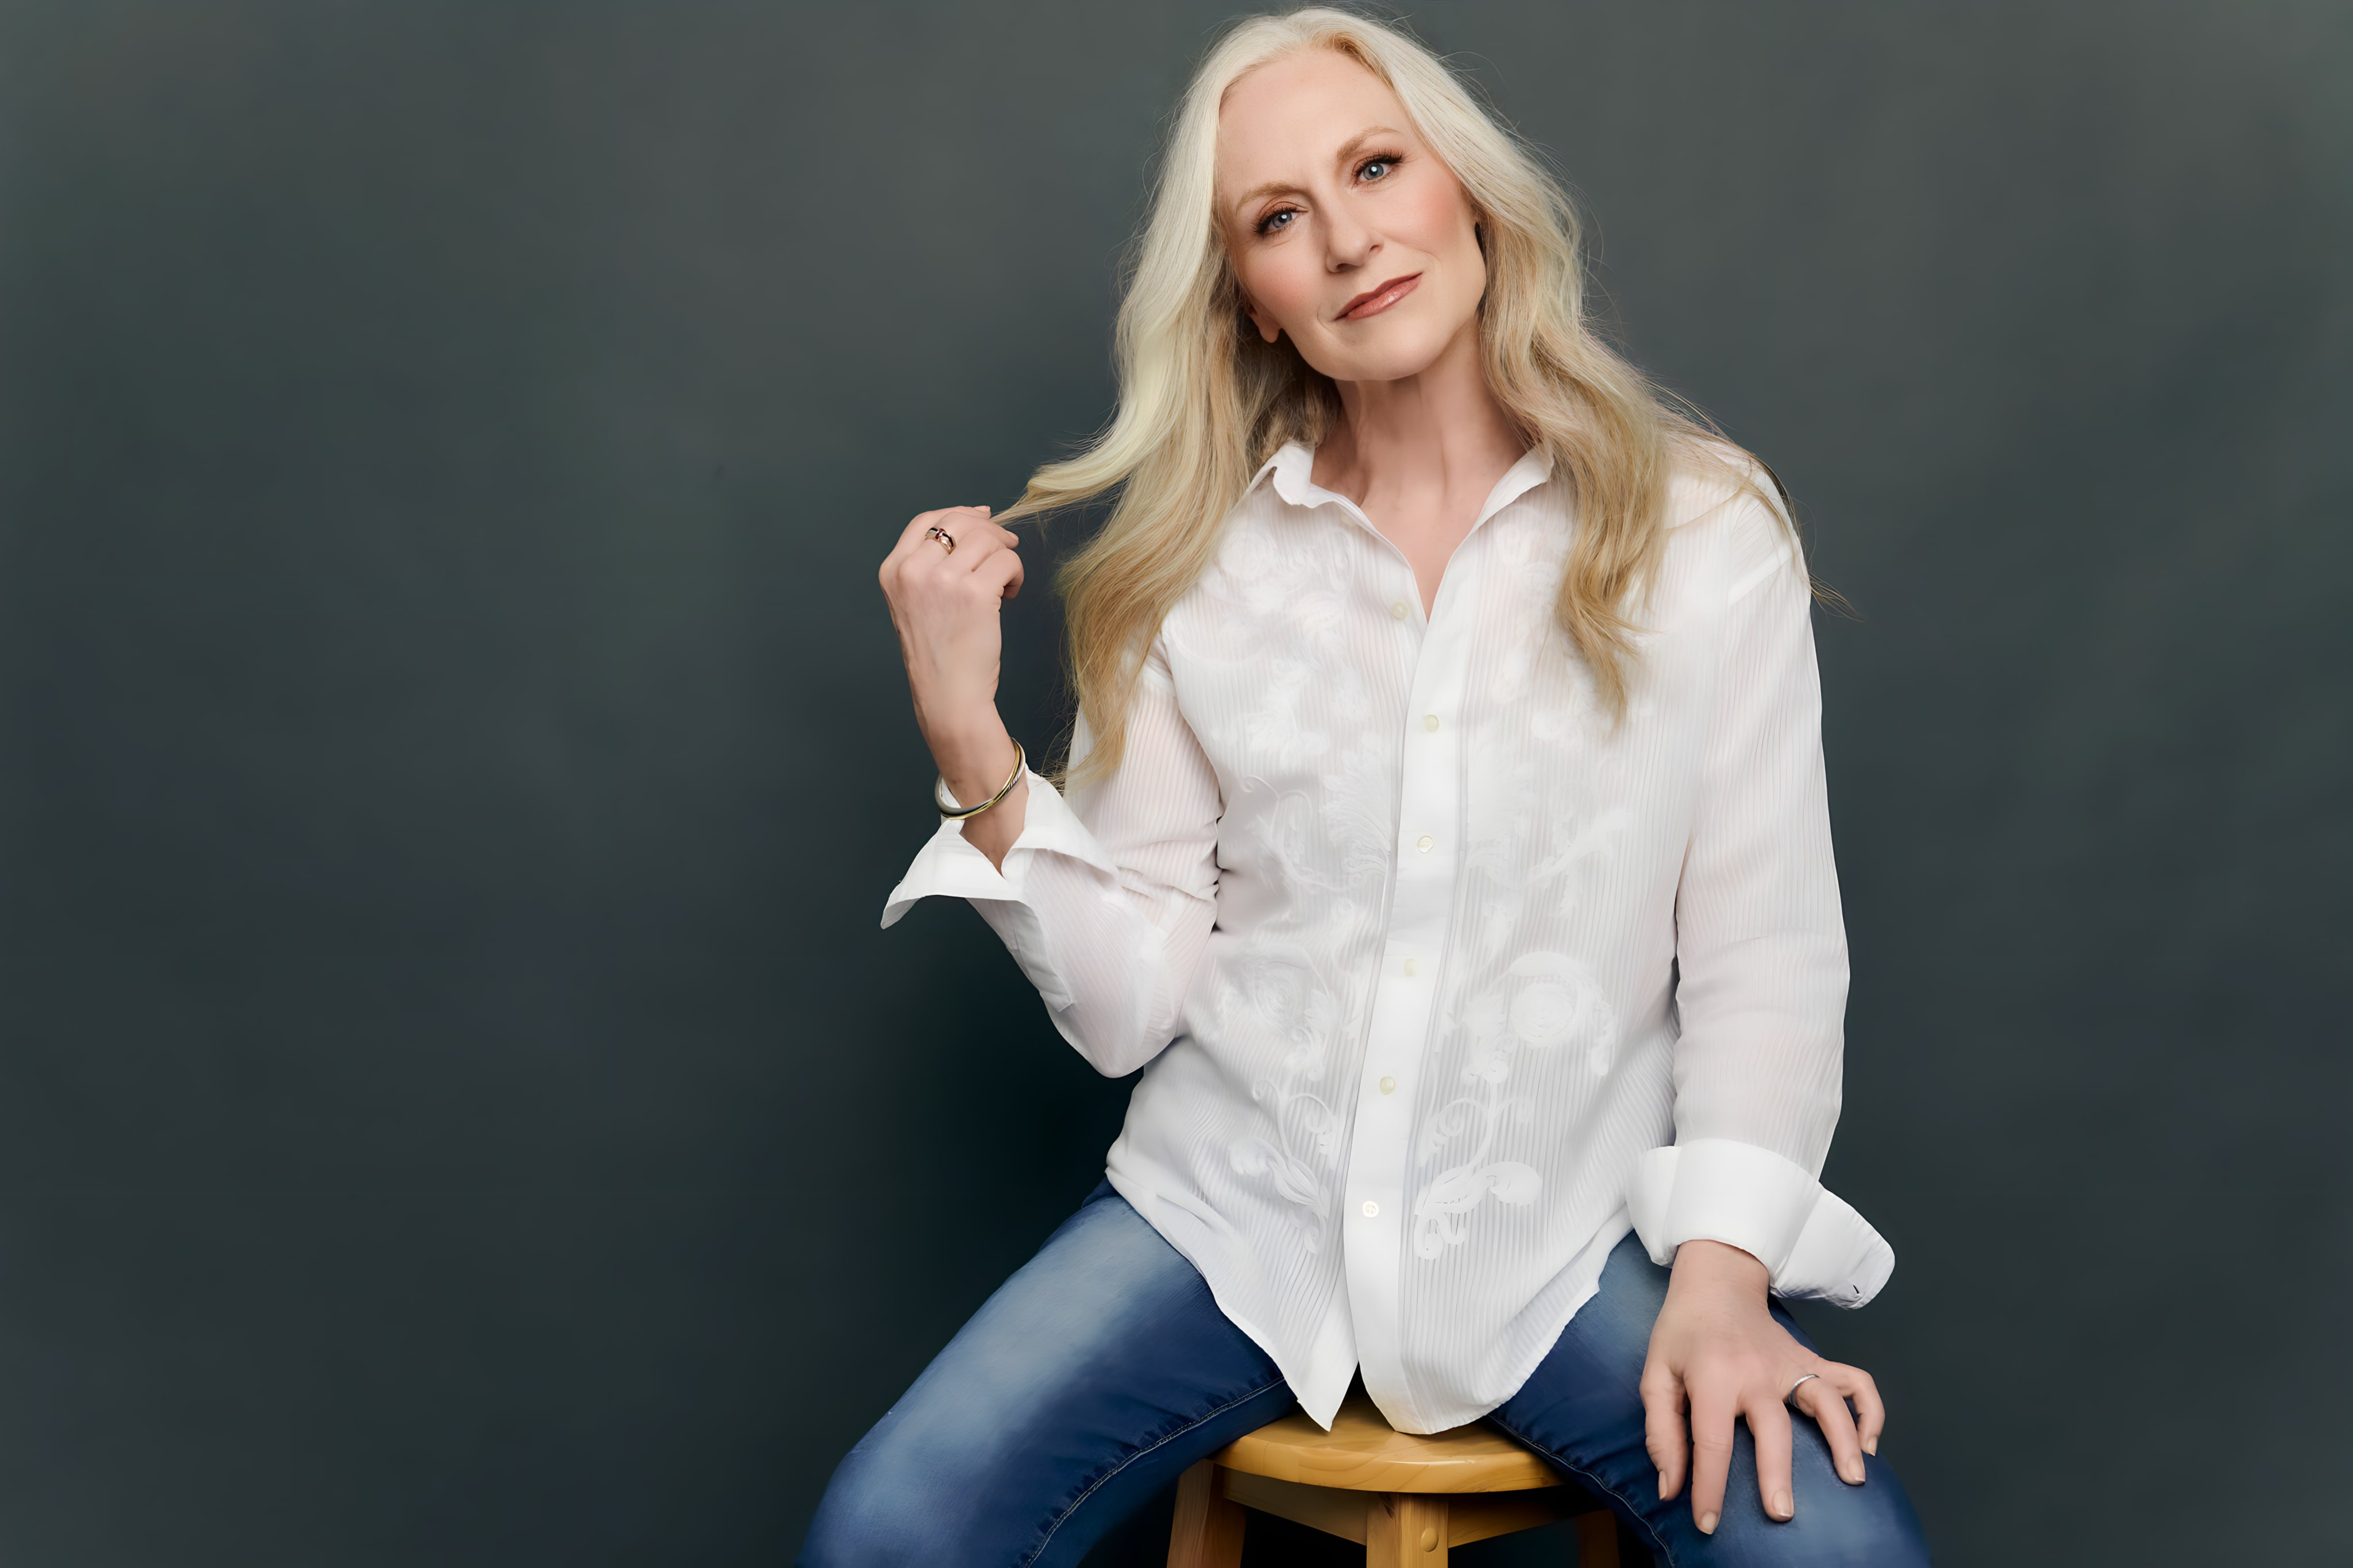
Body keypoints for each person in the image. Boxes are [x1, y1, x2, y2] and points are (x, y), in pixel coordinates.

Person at [805, 9, 1930, 1565]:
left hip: (1558, 1237)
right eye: (1278, 218)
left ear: (1468, 194)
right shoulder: (1196, 572)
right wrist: (967, 737)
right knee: (894, 1526)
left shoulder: (1702, 531)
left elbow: (1766, 956)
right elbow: (1131, 1010)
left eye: (1377, 168)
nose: (1346, 240)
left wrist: (1726, 1280)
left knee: (1841, 1557)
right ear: (1251, 303)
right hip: (1233, 1220)